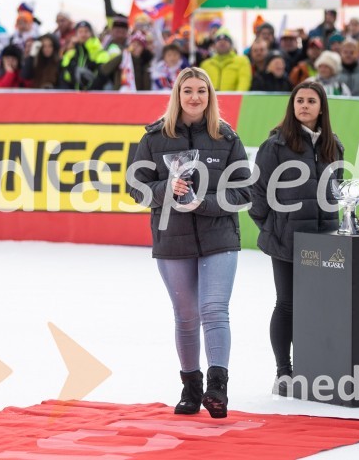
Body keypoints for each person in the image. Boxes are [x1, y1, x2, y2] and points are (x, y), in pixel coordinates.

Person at [129, 67, 251, 419]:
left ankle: (217, 388)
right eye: (188, 91)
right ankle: (190, 387)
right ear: (177, 96)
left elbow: (244, 190)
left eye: (202, 91)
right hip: (172, 237)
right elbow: (136, 186)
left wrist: (206, 202)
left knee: (214, 310)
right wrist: (165, 189)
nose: (195, 97)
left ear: (210, 96)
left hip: (220, 236)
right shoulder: (154, 137)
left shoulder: (226, 138)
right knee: (185, 316)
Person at [249, 81, 343, 394]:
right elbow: (258, 194)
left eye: (311, 101)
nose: (303, 105)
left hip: (325, 242)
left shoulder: (334, 146)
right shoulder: (275, 146)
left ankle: (315, 369)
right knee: (287, 304)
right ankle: (284, 372)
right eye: (299, 100)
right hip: (287, 241)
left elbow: (336, 193)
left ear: (321, 108)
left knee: (320, 306)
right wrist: (274, 226)